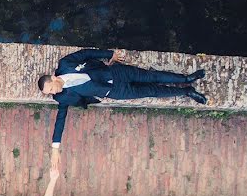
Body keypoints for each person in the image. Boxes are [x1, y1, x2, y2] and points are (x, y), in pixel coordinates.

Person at [38, 48, 207, 170]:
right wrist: (55, 149)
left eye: (51, 88)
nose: (54, 92)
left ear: (53, 78)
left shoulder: (65, 64)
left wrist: (109, 54)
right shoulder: (62, 97)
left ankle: (187, 78)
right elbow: (61, 119)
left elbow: (85, 54)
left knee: (151, 76)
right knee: (151, 91)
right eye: (50, 93)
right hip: (115, 91)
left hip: (115, 73)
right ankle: (187, 92)